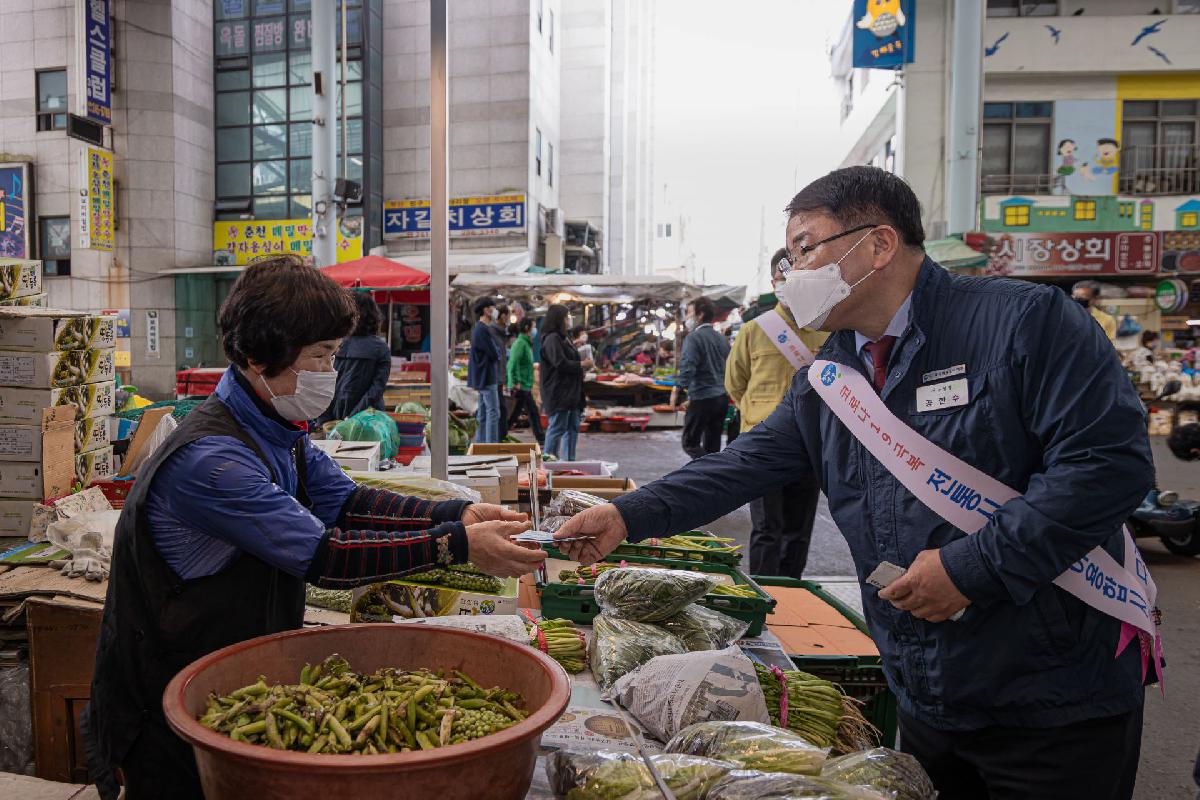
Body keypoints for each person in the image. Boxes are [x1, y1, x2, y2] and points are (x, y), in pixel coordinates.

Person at [557, 167, 1155, 799]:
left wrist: (970, 568)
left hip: (1052, 698)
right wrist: (627, 516)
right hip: (925, 691)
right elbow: (744, 462)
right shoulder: (833, 371)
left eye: (805, 247)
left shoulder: (1025, 322)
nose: (791, 273)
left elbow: (1106, 466)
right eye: (787, 257)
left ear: (879, 244)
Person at [84, 257, 543, 799]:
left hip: (238, 684)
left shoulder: (281, 430)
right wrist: (459, 547)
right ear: (258, 358)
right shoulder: (211, 461)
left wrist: (456, 515)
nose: (332, 370)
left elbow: (347, 502)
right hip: (170, 706)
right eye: (321, 356)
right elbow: (329, 557)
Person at [725, 248, 828, 578]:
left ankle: (793, 596)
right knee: (768, 528)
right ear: (774, 282)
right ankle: (766, 596)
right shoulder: (754, 330)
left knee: (798, 531)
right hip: (762, 444)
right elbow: (735, 383)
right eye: (785, 278)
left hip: (809, 443)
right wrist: (758, 417)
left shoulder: (827, 331)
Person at [316, 291, 391, 426]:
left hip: (334, 414)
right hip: (370, 419)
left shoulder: (334, 344)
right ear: (374, 315)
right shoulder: (381, 348)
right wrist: (353, 417)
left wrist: (325, 419)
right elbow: (377, 389)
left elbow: (323, 382)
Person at [672, 296, 731, 460]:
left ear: (700, 314)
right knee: (713, 445)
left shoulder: (693, 338)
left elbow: (688, 367)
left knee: (690, 443)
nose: (687, 318)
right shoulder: (722, 339)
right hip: (721, 398)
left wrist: (677, 391)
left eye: (690, 313)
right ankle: (712, 477)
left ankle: (709, 470)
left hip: (702, 398)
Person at [541, 304, 589, 460]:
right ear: (559, 319)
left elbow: (565, 354)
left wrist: (575, 346)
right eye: (566, 317)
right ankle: (549, 464)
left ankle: (569, 464)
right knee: (557, 428)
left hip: (571, 393)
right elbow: (560, 363)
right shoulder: (552, 338)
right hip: (559, 392)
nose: (569, 320)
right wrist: (582, 364)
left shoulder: (563, 338)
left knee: (572, 428)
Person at [468, 296, 503, 443]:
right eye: (492, 307)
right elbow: (495, 353)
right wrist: (498, 352)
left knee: (483, 413)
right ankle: (491, 447)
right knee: (493, 412)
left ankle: (482, 445)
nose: (495, 311)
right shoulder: (482, 330)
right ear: (486, 310)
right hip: (487, 377)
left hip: (482, 377)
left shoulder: (479, 329)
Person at [506, 317, 544, 444]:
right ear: (527, 328)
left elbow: (523, 363)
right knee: (515, 415)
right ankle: (500, 435)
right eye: (533, 326)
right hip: (520, 385)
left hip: (526, 384)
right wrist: (515, 381)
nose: (535, 330)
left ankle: (541, 438)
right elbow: (513, 363)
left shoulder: (526, 343)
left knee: (531, 412)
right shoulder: (520, 343)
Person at [492, 305, 512, 439]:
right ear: (502, 315)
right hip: (494, 376)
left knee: (499, 408)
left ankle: (500, 437)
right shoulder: (493, 332)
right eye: (508, 315)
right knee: (497, 409)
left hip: (499, 376)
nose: (509, 318)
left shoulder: (502, 332)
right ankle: (497, 438)